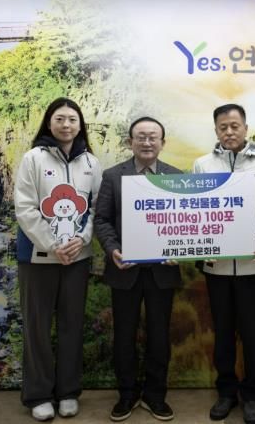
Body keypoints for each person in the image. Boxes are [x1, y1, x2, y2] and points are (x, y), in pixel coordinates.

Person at [192, 104, 255, 424]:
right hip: (216, 268)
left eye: (235, 126)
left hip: (254, 266)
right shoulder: (202, 165)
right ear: (216, 130)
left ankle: (253, 394)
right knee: (222, 331)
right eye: (223, 127)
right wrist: (202, 244)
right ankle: (226, 392)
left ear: (246, 128)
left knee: (253, 332)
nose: (229, 132)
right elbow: (194, 211)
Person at [14, 98, 102, 421]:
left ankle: (68, 392)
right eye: (59, 119)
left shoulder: (92, 162)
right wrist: (53, 245)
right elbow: (25, 207)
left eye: (72, 119)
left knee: (72, 325)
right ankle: (38, 394)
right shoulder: (33, 159)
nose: (66, 125)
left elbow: (97, 207)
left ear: (80, 124)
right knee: (36, 327)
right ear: (49, 123)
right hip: (37, 258)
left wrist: (83, 239)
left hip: (77, 257)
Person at [94, 117, 182, 422]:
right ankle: (127, 394)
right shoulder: (113, 176)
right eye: (141, 137)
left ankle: (156, 395)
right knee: (124, 335)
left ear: (162, 143)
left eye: (153, 137)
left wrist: (180, 250)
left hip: (162, 271)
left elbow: (183, 222)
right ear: (130, 142)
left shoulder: (176, 177)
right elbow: (102, 219)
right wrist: (112, 249)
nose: (147, 142)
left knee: (159, 336)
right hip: (125, 270)